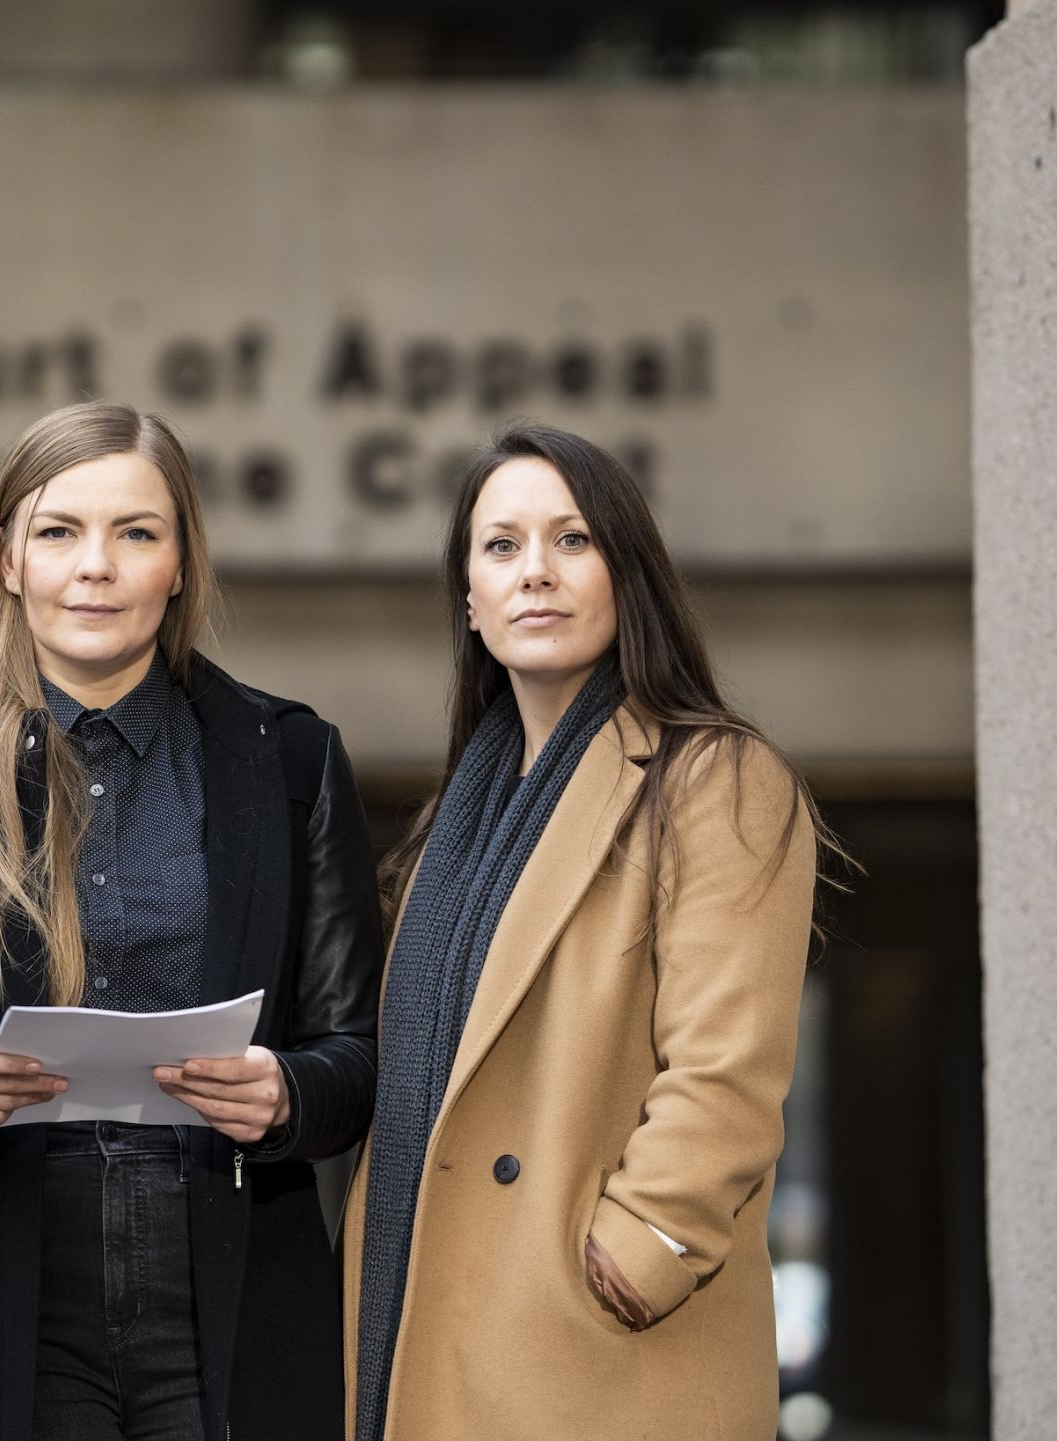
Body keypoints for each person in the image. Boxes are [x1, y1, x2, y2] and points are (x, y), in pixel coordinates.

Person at [0, 400, 382, 1441]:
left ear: (179, 563)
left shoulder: (291, 762)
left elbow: (357, 1058)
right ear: (7, 560)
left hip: (236, 1274)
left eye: (136, 532)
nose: (97, 566)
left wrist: (285, 1091)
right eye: (58, 531)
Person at [343, 421, 836, 1439]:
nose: (536, 573)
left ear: (628, 575)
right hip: (435, 1325)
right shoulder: (452, 825)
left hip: (593, 1346)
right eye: (500, 547)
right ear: (468, 603)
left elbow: (727, 1071)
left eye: (572, 541)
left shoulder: (715, 779)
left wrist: (641, 1247)